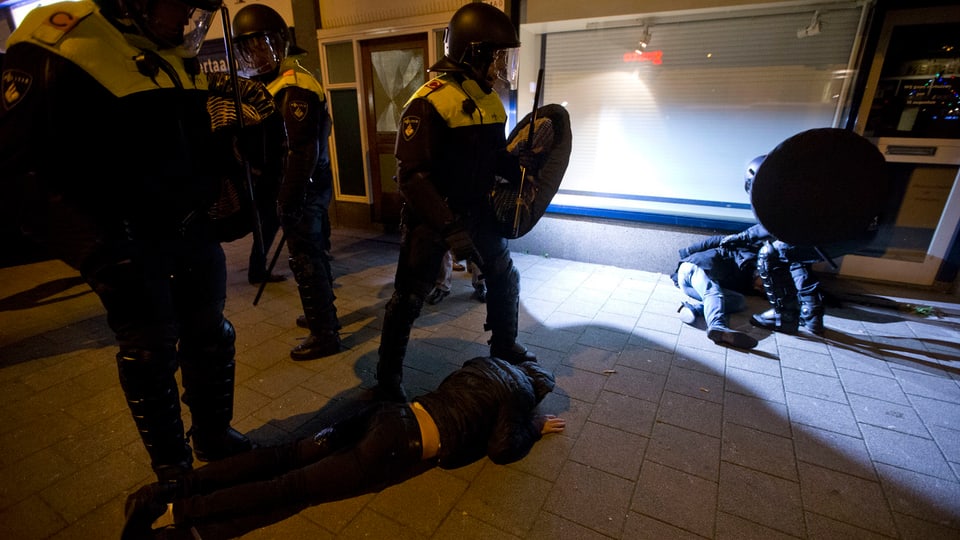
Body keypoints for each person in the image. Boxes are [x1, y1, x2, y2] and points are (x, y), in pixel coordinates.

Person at [0, 0, 254, 483]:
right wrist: (96, 253)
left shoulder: (175, 48)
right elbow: (16, 174)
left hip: (191, 230)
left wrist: (231, 184)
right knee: (150, 355)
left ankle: (213, 434)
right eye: (177, 6)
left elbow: (194, 145)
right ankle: (173, 467)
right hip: (128, 241)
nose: (185, 21)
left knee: (212, 338)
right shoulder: (60, 40)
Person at [121, 356, 565, 539]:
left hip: (386, 415)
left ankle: (169, 490)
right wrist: (532, 427)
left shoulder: (484, 365)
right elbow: (503, 448)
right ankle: (184, 515)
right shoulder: (521, 395)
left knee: (286, 454)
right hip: (393, 447)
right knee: (291, 488)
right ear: (536, 388)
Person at [375, 3, 540, 402]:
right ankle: (388, 375)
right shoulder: (429, 100)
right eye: (496, 56)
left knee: (505, 277)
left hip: (479, 213)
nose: (501, 66)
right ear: (473, 53)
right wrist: (448, 228)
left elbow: (491, 155)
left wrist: (517, 161)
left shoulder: (487, 99)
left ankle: (503, 346)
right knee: (409, 297)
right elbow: (411, 175)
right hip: (432, 221)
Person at [232, 4, 342, 360]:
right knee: (314, 255)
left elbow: (301, 151)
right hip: (296, 187)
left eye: (263, 45)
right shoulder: (271, 84)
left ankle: (324, 333)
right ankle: (322, 315)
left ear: (280, 42)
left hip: (303, 187)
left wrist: (288, 199)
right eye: (248, 49)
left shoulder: (295, 86)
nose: (257, 55)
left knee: (306, 260)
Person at [719, 155, 826, 335]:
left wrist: (742, 237)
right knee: (797, 256)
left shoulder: (782, 195)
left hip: (831, 234)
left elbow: (773, 226)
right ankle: (812, 315)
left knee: (770, 254)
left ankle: (784, 317)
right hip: (849, 235)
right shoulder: (800, 188)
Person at [673, 233, 761, 349]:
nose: (760, 289)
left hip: (692, 287)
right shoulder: (744, 253)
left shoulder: (746, 283)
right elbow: (717, 240)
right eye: (762, 287)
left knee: (738, 301)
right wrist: (687, 252)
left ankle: (693, 309)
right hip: (695, 267)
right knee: (713, 291)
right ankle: (717, 326)